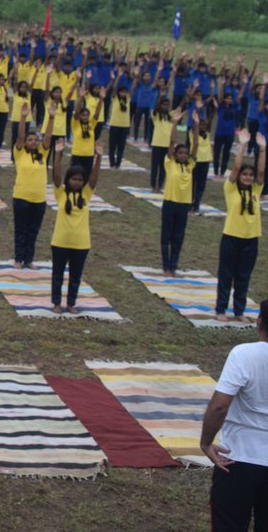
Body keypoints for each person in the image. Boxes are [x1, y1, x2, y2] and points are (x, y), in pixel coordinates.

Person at [199, 302, 268, 531]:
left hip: (237, 459)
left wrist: (206, 442)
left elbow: (220, 407)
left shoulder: (243, 354)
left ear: (259, 322)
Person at [217, 130, 266, 322]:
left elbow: (262, 172)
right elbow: (236, 167)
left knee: (243, 277)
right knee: (226, 275)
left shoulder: (256, 189)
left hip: (251, 239)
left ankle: (238, 311)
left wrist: (263, 149)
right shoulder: (230, 189)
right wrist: (242, 145)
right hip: (231, 237)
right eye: (244, 174)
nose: (247, 177)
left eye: (249, 175)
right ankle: (221, 309)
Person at [50, 137, 102, 314]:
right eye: (74, 179)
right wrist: (58, 153)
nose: (77, 182)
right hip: (60, 242)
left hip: (81, 244)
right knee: (57, 276)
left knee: (75, 277)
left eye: (80, 180)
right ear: (68, 180)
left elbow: (94, 179)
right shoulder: (60, 192)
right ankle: (56, 303)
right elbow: (56, 176)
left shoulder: (86, 194)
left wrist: (99, 157)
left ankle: (71, 303)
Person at [12, 105, 53, 269]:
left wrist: (51, 118)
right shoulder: (20, 153)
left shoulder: (43, 154)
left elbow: (48, 136)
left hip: (39, 199)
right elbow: (20, 136)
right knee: (21, 230)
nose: (33, 142)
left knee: (33, 231)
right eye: (30, 140)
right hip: (21, 198)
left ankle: (29, 260)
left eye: (36, 140)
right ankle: (18, 258)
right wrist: (23, 117)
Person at [161, 107, 199, 275]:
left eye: (185, 153)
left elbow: (196, 144)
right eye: (181, 153)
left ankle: (174, 265)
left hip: (184, 205)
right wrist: (175, 124)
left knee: (178, 237)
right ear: (175, 154)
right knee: (166, 235)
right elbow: (171, 143)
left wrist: (196, 125)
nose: (184, 155)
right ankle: (165, 265)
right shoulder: (170, 164)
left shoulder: (190, 165)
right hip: (170, 202)